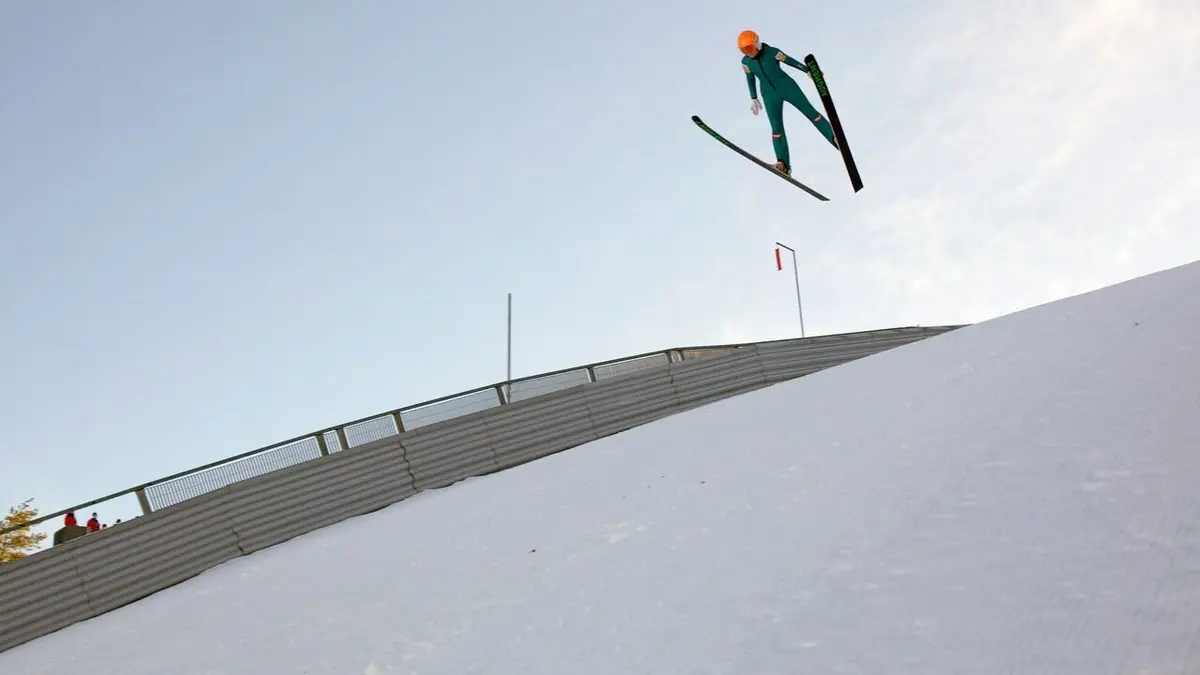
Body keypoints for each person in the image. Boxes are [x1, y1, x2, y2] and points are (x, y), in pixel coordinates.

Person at [737, 30, 838, 176]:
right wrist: (754, 97)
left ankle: (834, 138)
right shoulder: (745, 62)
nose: (749, 53)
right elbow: (750, 79)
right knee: (776, 130)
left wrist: (807, 70)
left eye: (750, 49)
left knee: (811, 113)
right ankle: (783, 165)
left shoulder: (772, 52)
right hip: (769, 95)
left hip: (787, 87)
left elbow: (790, 61)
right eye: (744, 51)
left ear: (757, 44)